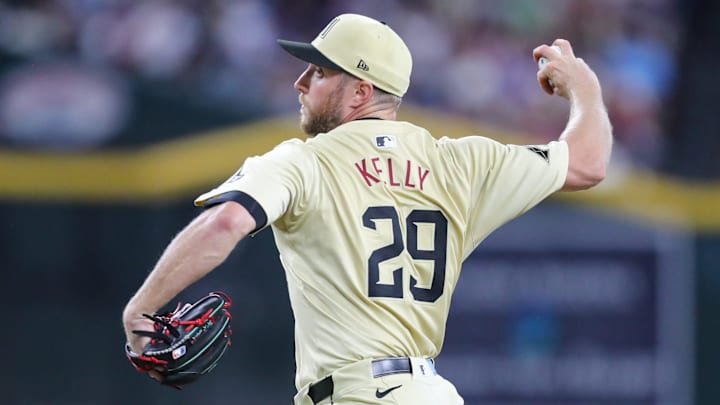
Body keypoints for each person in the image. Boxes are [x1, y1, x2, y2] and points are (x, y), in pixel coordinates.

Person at [123, 13, 612, 405]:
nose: (300, 82)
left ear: (360, 91)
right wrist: (584, 87)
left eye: (318, 71)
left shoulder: (302, 160)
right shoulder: (463, 161)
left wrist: (141, 309)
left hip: (355, 394)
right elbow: (588, 164)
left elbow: (226, 221)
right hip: (430, 393)